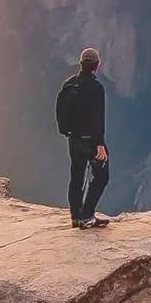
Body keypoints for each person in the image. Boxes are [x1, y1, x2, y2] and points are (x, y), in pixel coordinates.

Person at [55, 47, 110, 229]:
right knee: (101, 176)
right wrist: (100, 144)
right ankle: (87, 215)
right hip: (91, 141)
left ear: (81, 64)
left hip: (74, 140)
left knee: (76, 177)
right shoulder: (96, 88)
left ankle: (76, 217)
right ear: (97, 65)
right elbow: (98, 118)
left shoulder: (69, 84)